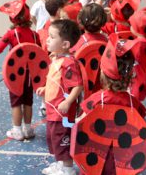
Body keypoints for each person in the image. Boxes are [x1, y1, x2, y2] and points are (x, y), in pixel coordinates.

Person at [78, 35, 146, 175]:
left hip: (97, 157)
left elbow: (81, 126)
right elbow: (140, 129)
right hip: (123, 161)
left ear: (103, 73)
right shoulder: (133, 103)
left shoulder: (96, 100)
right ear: (129, 76)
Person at [0, 0, 40, 141]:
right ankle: (28, 129)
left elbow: (0, 46)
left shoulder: (11, 34)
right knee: (28, 102)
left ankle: (17, 131)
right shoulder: (35, 35)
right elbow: (40, 53)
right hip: (30, 75)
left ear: (12, 19)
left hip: (16, 73)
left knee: (16, 102)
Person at [36, 19, 83, 175]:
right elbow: (56, 81)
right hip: (52, 110)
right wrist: (45, 88)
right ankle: (60, 164)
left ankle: (68, 169)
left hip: (62, 113)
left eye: (52, 36)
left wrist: (68, 102)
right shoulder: (56, 59)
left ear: (65, 44)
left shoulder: (68, 63)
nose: (47, 39)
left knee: (63, 140)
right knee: (55, 139)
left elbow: (77, 85)